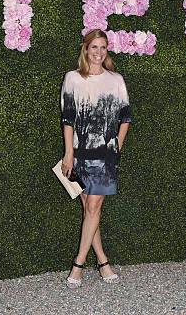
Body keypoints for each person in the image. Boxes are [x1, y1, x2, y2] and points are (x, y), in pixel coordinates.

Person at [60, 29, 131, 288]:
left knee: (93, 208)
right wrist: (69, 154)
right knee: (90, 210)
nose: (98, 53)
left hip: (105, 156)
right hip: (78, 155)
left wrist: (116, 148)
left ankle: (78, 264)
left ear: (106, 51)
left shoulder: (116, 80)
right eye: (94, 47)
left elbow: (126, 118)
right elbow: (67, 119)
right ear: (85, 49)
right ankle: (102, 261)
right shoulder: (73, 79)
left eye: (103, 48)